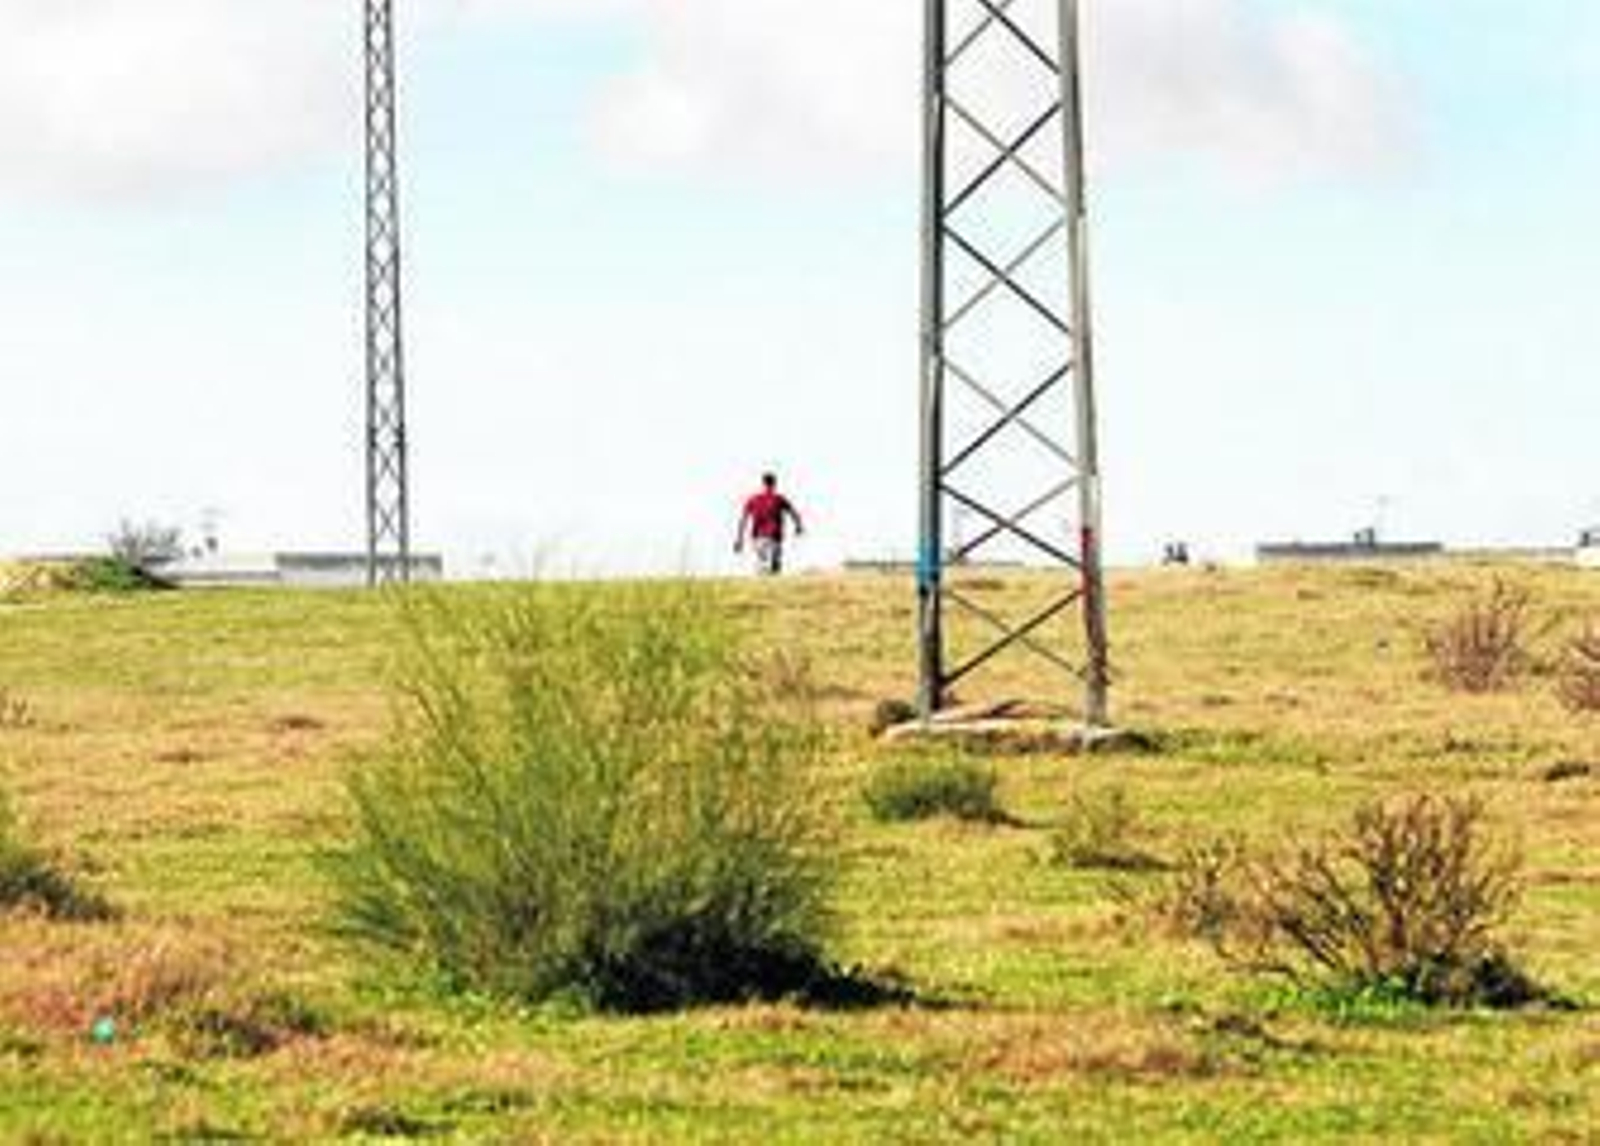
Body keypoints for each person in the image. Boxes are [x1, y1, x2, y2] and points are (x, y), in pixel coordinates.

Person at [735, 472, 805, 575]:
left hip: (758, 538)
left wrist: (739, 539)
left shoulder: (753, 500)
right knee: (774, 567)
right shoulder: (779, 499)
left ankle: (762, 582)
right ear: (774, 484)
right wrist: (798, 526)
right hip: (774, 537)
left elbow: (743, 520)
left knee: (761, 565)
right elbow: (793, 513)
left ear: (763, 484)